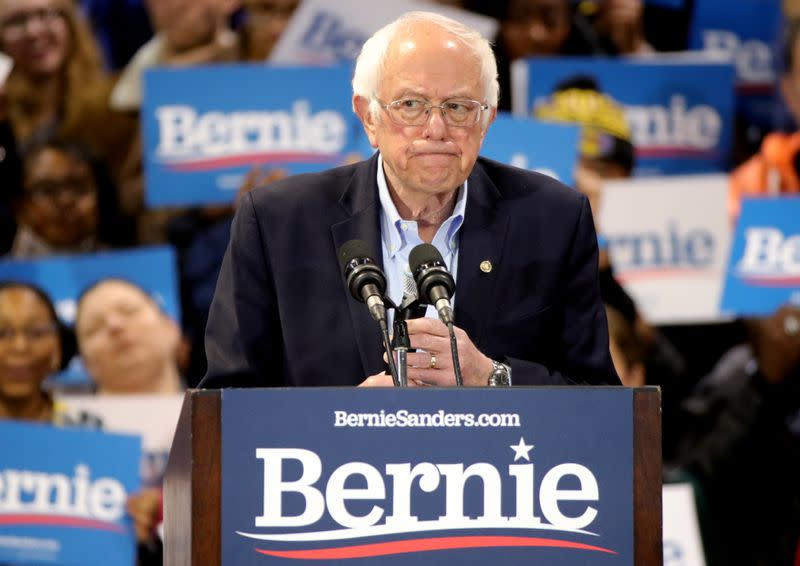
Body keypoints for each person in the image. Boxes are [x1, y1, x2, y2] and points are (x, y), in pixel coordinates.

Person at [201, 11, 618, 389]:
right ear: (368, 116)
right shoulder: (278, 222)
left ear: (487, 119)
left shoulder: (553, 220)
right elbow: (226, 406)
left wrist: (492, 379)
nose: (435, 128)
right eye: (411, 105)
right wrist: (338, 420)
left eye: (457, 106)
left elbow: (600, 402)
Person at [7, 134, 131, 257]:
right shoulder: (5, 272)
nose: (66, 200)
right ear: (19, 205)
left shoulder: (128, 268)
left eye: (79, 188)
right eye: (48, 190)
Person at [74, 278, 184, 395]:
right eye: (95, 327)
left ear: (171, 326)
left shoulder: (204, 408)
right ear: (85, 363)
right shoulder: (62, 412)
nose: (114, 325)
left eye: (129, 311)